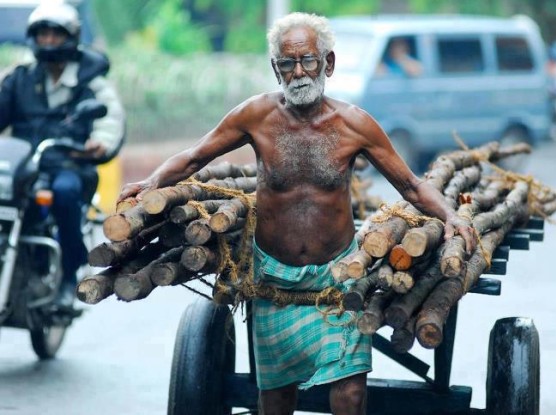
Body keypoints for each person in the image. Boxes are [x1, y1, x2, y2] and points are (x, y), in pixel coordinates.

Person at [118, 12, 474, 415]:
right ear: (276, 68)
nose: (299, 72)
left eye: (308, 60)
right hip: (274, 280)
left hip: (338, 280)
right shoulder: (255, 116)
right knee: (275, 400)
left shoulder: (354, 124)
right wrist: (151, 185)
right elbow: (195, 156)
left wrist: (451, 216)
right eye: (288, 64)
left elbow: (410, 185)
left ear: (329, 63)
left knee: (351, 397)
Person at [0, 2, 125, 308]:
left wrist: (100, 142)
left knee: (65, 192)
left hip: (70, 163)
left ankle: (70, 272)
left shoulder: (90, 80)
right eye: (42, 34)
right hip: (24, 166)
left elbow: (110, 119)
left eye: (55, 34)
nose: (48, 41)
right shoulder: (20, 78)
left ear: (71, 36)